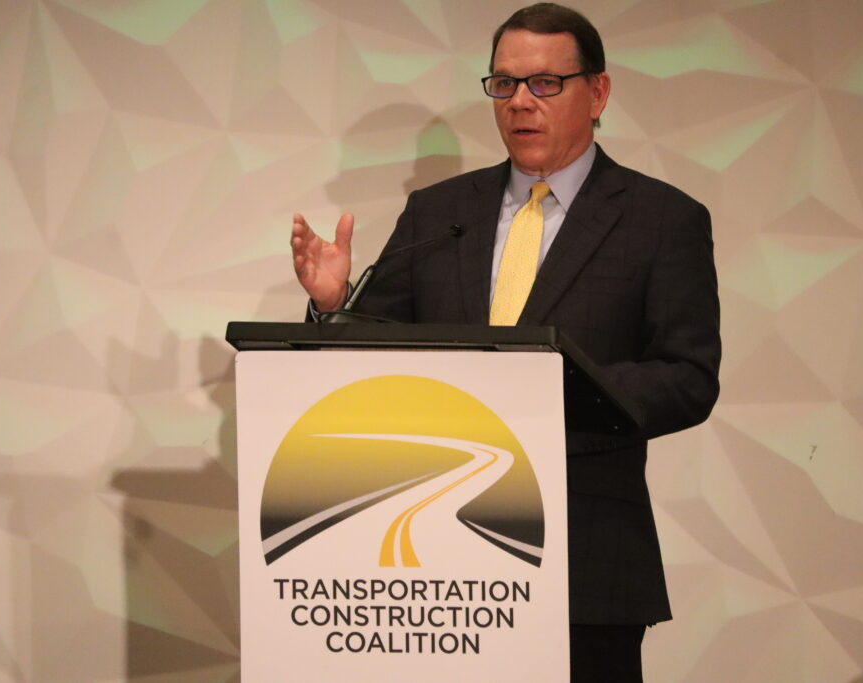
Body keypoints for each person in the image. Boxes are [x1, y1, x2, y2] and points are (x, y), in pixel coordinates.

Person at [290, 3, 720, 680]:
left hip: (585, 562)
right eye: (504, 83)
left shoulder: (663, 220)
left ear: (597, 93)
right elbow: (375, 362)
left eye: (545, 83)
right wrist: (332, 307)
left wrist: (550, 391)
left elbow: (688, 377)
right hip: (433, 564)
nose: (520, 102)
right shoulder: (438, 212)